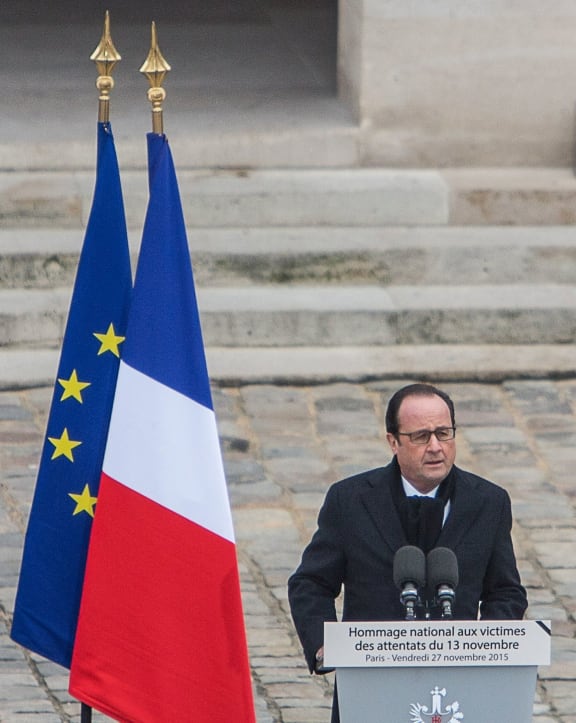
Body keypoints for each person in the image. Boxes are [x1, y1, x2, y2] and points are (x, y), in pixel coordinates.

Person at [287, 383, 527, 723]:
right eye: (420, 436)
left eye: (444, 434)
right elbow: (310, 583)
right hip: (371, 686)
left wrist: (483, 649)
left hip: (456, 690)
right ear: (393, 441)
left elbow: (505, 591)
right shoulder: (350, 501)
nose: (435, 447)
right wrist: (325, 643)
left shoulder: (489, 502)